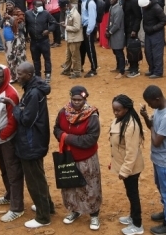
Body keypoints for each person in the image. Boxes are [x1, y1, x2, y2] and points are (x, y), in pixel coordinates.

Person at [6, 62, 54, 228]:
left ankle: (43, 217)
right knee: (39, 176)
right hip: (35, 141)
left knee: (34, 180)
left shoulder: (33, 93)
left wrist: (15, 107)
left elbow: (26, 120)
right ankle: (48, 206)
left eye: (20, 74)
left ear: (29, 74)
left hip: (31, 143)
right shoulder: (33, 88)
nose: (17, 77)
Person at [53, 86, 102, 230]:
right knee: (70, 185)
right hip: (68, 158)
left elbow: (90, 139)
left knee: (90, 186)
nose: (76, 102)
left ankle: (94, 215)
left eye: (79, 100)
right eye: (74, 99)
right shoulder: (63, 112)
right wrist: (61, 135)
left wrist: (66, 137)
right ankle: (75, 211)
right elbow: (56, 128)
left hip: (87, 159)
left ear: (85, 99)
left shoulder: (92, 115)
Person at [139, 85, 166, 235]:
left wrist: (150, 128)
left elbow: (157, 141)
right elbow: (153, 125)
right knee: (161, 186)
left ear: (157, 99)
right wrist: (145, 116)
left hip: (165, 160)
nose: (150, 106)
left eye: (150, 103)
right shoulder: (160, 108)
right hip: (160, 158)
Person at [0, 64, 25, 223]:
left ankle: (17, 208)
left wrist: (3, 135)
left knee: (13, 172)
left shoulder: (11, 94)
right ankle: (9, 195)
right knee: (3, 168)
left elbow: (13, 120)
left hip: (7, 141)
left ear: (6, 77)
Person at [110, 94, 145, 235]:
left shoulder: (131, 125)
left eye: (118, 110)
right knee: (130, 193)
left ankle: (137, 225)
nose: (115, 113)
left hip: (131, 168)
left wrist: (124, 171)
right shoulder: (121, 119)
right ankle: (132, 217)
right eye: (114, 110)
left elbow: (132, 152)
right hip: (125, 165)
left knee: (133, 194)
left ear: (126, 109)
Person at [25, 0, 56, 81]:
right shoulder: (28, 14)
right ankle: (37, 75)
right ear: (33, 6)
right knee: (35, 60)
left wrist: (48, 30)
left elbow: (53, 23)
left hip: (44, 40)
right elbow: (26, 25)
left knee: (47, 58)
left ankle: (48, 74)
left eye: (41, 5)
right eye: (38, 6)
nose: (40, 7)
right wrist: (26, 35)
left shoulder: (46, 13)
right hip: (34, 41)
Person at [140, 0, 166, 79]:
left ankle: (158, 72)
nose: (143, 8)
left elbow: (164, 20)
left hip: (157, 33)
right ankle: (152, 69)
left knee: (157, 53)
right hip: (148, 33)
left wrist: (154, 28)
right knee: (147, 52)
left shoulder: (156, 8)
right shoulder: (144, 7)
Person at [107, 0, 127, 78]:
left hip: (118, 34)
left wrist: (110, 32)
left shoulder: (118, 9)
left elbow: (117, 24)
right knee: (115, 51)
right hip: (113, 33)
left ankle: (122, 71)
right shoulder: (112, 7)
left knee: (119, 52)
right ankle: (118, 67)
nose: (111, 0)